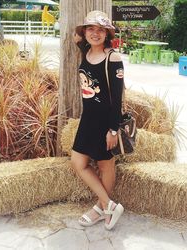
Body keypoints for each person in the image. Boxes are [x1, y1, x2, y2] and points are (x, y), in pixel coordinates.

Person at [71, 10, 124, 230]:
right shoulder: (86, 51)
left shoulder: (113, 58)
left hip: (105, 122)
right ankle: (109, 205)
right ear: (84, 32)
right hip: (87, 119)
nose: (95, 33)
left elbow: (117, 98)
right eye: (90, 29)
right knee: (78, 162)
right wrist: (78, 38)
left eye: (100, 29)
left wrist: (113, 130)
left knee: (105, 165)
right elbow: (79, 41)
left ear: (107, 34)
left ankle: (101, 208)